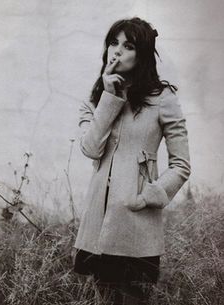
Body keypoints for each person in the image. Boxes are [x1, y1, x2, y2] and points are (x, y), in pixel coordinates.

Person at [72, 17, 191, 305]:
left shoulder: (163, 98)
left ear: (143, 54)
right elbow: (91, 150)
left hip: (137, 225)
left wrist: (150, 195)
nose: (117, 51)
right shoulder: (95, 102)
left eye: (128, 46)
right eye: (113, 43)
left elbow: (181, 165)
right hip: (98, 228)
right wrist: (110, 97)